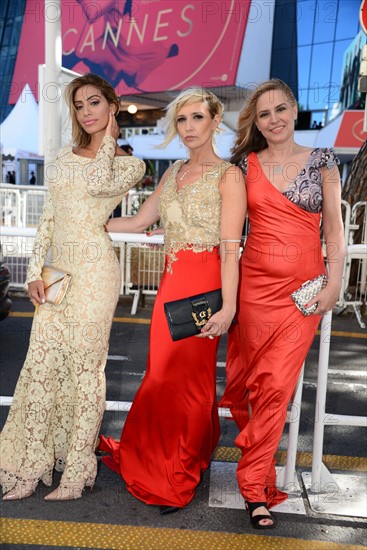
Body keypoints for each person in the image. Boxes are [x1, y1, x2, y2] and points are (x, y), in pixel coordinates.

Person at [99, 87, 247, 514]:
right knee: (162, 376)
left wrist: (228, 308)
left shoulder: (228, 176)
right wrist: (90, 223)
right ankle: (162, 459)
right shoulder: (172, 172)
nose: (189, 127)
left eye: (197, 118)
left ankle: (180, 469)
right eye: (182, 120)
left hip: (205, 289)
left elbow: (231, 246)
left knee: (189, 382)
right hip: (171, 286)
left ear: (215, 121)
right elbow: (142, 220)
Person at [0, 73, 145, 501]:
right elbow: (49, 217)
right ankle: (30, 465)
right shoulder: (62, 156)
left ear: (112, 106)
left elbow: (100, 184)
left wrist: (109, 139)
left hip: (96, 273)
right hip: (57, 274)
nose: (86, 112)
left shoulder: (128, 164)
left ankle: (76, 471)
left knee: (86, 373)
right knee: (40, 367)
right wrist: (31, 273)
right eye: (79, 105)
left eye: (95, 102)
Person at [219, 79, 345, 529]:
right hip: (254, 292)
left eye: (280, 110)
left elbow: (334, 229)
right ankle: (259, 475)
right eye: (264, 114)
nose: (273, 120)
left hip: (302, 294)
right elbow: (229, 235)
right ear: (256, 121)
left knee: (274, 386)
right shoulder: (243, 165)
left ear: (295, 111)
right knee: (254, 388)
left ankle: (253, 489)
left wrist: (335, 283)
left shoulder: (323, 161)